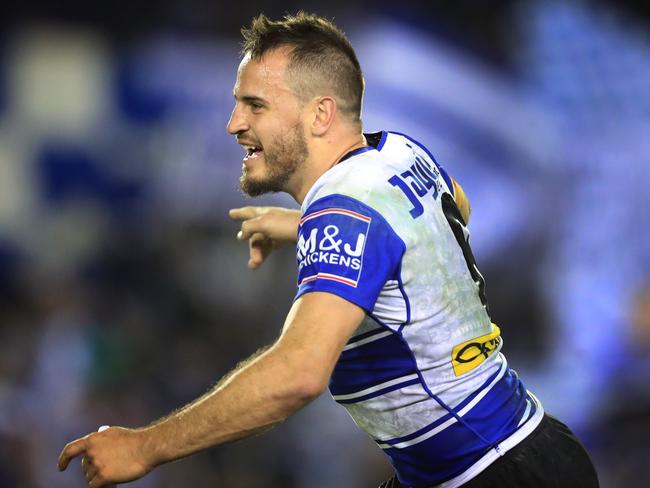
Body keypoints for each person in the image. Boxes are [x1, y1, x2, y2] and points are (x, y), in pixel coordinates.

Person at [58, 12, 599, 488]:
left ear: (320, 115)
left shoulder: (344, 211)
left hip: (493, 473)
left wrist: (144, 447)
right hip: (525, 446)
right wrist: (304, 224)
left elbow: (298, 375)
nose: (234, 124)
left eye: (255, 105)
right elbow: (453, 204)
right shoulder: (397, 152)